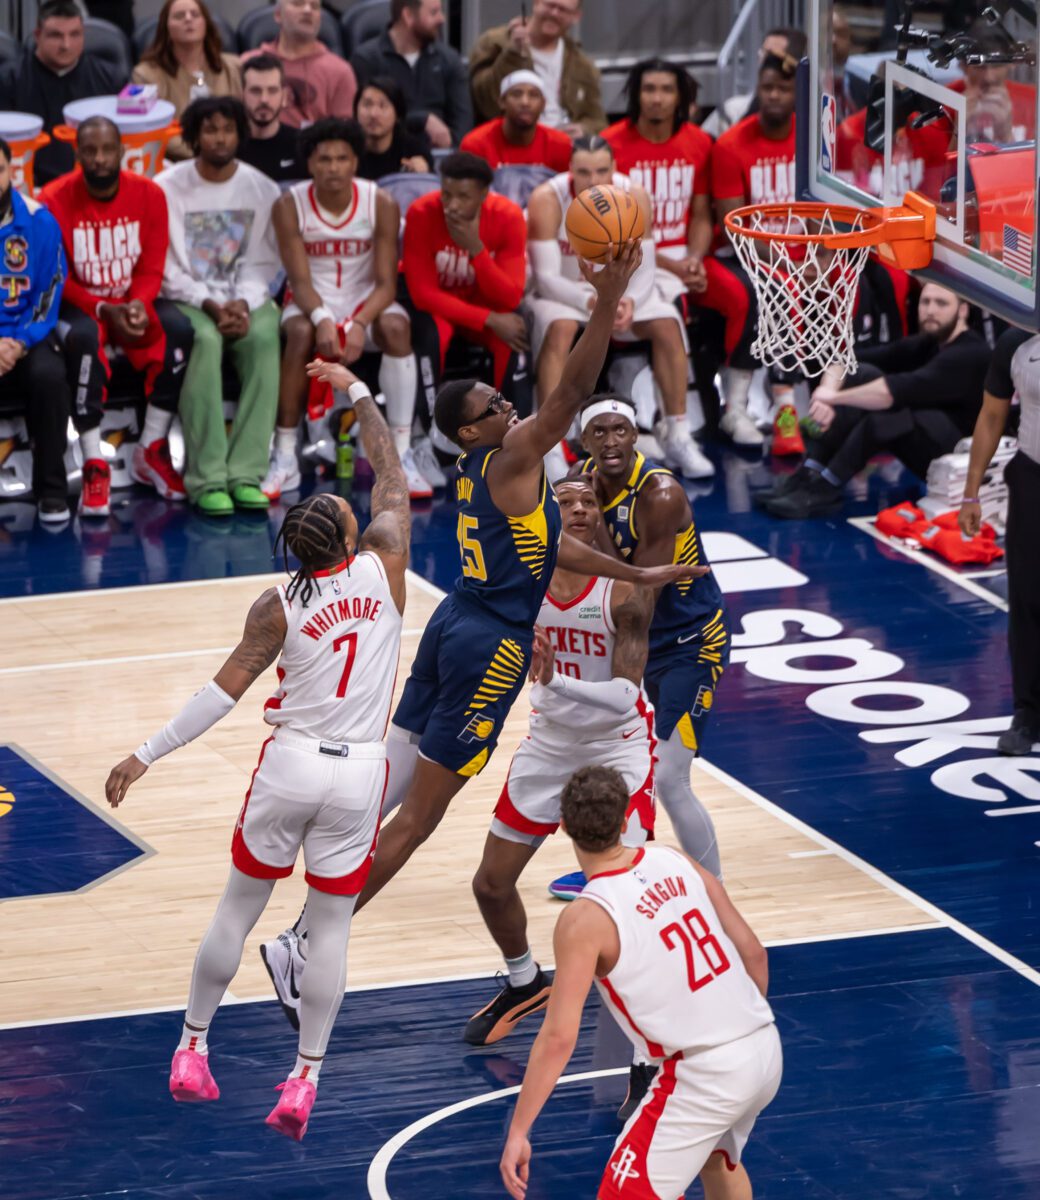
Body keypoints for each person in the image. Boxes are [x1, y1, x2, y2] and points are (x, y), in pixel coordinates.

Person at [260, 246, 704, 1026]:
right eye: (498, 404)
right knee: (418, 819)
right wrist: (605, 301)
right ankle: (307, 942)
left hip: (453, 621)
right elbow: (568, 393)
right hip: (491, 645)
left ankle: (306, 921)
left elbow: (541, 547)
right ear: (476, 430)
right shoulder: (514, 454)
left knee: (381, 791)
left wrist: (633, 576)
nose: (511, 405)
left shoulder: (475, 471)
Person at [103, 372, 411, 1141]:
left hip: (291, 764)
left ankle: (193, 1048)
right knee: (331, 930)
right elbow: (392, 475)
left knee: (238, 910)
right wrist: (358, 392)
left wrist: (144, 755)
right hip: (361, 773)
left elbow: (219, 695)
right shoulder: (385, 565)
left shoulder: (276, 606)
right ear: (350, 539)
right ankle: (305, 1076)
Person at [499, 765, 782, 1200]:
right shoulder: (674, 858)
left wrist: (519, 1129)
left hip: (704, 1072)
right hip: (763, 1047)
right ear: (629, 815)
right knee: (717, 1161)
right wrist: (738, 1027)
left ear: (561, 826)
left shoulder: (583, 919)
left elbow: (559, 1038)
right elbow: (754, 953)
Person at [465, 477, 655, 1049]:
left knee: (626, 899)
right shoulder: (524, 584)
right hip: (549, 745)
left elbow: (626, 693)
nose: (576, 509)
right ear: (546, 514)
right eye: (564, 501)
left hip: (616, 745)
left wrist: (554, 682)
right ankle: (524, 982)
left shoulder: (624, 591)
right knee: (491, 884)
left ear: (600, 514)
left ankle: (648, 1040)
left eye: (587, 501)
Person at [550, 394, 728, 908]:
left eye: (620, 431)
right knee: (616, 761)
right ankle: (616, 869)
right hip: (633, 637)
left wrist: (596, 531)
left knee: (670, 777)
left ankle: (714, 896)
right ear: (583, 441)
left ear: (636, 435)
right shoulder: (580, 480)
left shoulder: (660, 494)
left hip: (689, 642)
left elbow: (639, 594)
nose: (610, 442)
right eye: (599, 432)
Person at [527, 134, 712, 478]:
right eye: (583, 172)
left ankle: (678, 433)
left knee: (667, 324)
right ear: (570, 170)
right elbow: (545, 277)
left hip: (624, 290)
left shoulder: (635, 196)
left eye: (601, 171)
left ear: (614, 168)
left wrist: (625, 300)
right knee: (560, 328)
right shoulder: (547, 199)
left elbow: (647, 263)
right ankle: (551, 444)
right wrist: (595, 301)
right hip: (566, 295)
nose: (594, 181)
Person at [264, 117, 426, 500]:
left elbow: (388, 283)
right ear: (310, 163)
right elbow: (298, 280)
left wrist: (358, 322)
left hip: (365, 303)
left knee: (397, 330)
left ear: (355, 162)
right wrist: (323, 319)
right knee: (301, 332)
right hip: (309, 303)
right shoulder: (289, 205)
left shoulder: (380, 203)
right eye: (324, 159)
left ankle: (400, 455)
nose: (333, 167)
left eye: (341, 159)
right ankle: (284, 454)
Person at [604, 59, 761, 455]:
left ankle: (736, 407)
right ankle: (657, 420)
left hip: (686, 256)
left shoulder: (699, 143)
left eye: (666, 90)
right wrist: (671, 266)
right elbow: (614, 229)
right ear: (635, 95)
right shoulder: (611, 145)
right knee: (671, 307)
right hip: (632, 256)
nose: (657, 99)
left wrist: (692, 258)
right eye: (649, 89)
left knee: (745, 297)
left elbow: (703, 212)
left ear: (682, 98)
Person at [40, 117, 194, 517]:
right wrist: (102, 308)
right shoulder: (54, 198)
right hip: (81, 304)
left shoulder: (149, 194)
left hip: (131, 301)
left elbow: (152, 264)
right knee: (84, 339)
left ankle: (151, 448)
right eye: (90, 151)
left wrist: (140, 303)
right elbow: (58, 275)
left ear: (122, 152)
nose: (100, 158)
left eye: (108, 149)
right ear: (77, 155)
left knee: (178, 329)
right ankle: (94, 462)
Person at [760, 284, 991, 519]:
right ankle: (810, 473)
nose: (931, 310)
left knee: (886, 415)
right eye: (925, 302)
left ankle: (827, 486)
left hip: (965, 460)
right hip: (933, 440)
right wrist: (825, 392)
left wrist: (834, 397)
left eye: (941, 303)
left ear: (963, 311)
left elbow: (890, 393)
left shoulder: (970, 353)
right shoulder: (927, 343)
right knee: (864, 374)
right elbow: (848, 359)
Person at [156, 97, 281, 516]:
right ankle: (207, 477)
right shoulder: (167, 186)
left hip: (246, 298)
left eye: (227, 129)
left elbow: (266, 262)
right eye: (210, 129)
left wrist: (241, 303)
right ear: (193, 136)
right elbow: (167, 268)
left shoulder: (262, 188)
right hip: (188, 299)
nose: (220, 137)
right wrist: (209, 303)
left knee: (265, 336)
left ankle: (246, 473)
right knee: (203, 341)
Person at [711, 52, 800, 446]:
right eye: (767, 88)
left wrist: (825, 256)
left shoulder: (813, 137)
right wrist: (787, 263)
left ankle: (828, 399)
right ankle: (740, 408)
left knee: (860, 285)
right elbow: (736, 229)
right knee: (764, 292)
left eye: (784, 88)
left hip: (807, 250)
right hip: (746, 256)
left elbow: (827, 207)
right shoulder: (732, 145)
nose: (775, 95)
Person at [401, 153, 530, 422]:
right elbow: (423, 295)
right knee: (434, 334)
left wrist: (476, 250)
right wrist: (489, 319)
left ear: (483, 194)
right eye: (446, 194)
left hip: (479, 305)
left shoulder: (507, 216)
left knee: (513, 334)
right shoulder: (422, 212)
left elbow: (510, 295)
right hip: (437, 309)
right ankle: (426, 430)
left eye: (463, 196)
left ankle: (510, 426)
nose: (452, 205)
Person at [959, 326, 1039, 755]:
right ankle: (1027, 714)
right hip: (1032, 479)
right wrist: (971, 493)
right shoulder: (1016, 343)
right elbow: (991, 417)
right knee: (1027, 599)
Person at [0, 137, 69, 523]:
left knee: (50, 376)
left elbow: (49, 290)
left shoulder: (39, 220)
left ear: (11, 171)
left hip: (24, 336)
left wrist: (19, 343)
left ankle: (53, 492)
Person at [0, 0, 128, 187]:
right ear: (37, 36)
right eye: (56, 36)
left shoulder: (111, 77)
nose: (66, 45)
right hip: (28, 183)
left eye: (75, 34)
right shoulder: (7, 79)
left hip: (96, 182)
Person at [469, 0, 605, 136]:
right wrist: (512, 54)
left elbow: (597, 120)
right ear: (536, 3)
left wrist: (583, 130)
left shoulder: (582, 64)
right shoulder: (495, 42)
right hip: (510, 143)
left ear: (576, 16)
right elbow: (484, 102)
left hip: (563, 145)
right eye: (550, 5)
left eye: (563, 10)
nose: (554, 13)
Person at [351, 0, 472, 151]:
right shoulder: (367, 59)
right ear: (408, 16)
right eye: (434, 13)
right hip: (386, 156)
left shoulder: (450, 59)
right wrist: (421, 120)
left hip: (442, 157)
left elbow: (463, 122)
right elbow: (365, 120)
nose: (442, 19)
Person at [132, 0, 242, 162]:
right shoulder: (146, 75)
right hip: (173, 163)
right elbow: (151, 131)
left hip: (230, 160)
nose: (188, 19)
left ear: (206, 24)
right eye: (179, 16)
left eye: (195, 14)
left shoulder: (234, 66)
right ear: (166, 28)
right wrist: (204, 152)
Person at [241, 0, 357, 129]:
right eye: (298, 4)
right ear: (278, 15)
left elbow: (344, 135)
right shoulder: (247, 63)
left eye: (314, 6)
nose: (308, 10)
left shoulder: (340, 71)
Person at [701, 28, 806, 138]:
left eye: (771, 55)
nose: (763, 61)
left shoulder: (811, 117)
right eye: (762, 53)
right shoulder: (733, 111)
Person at [460, 71, 572, 171]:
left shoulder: (561, 145)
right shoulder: (476, 144)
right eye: (516, 94)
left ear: (543, 104)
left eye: (533, 95)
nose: (525, 102)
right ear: (502, 102)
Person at [239, 53, 303, 184]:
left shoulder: (302, 146)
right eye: (255, 91)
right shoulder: (229, 147)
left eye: (272, 90)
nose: (264, 99)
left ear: (284, 96)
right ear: (241, 95)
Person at [355, 76, 432, 180]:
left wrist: (423, 174)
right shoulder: (347, 150)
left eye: (383, 106)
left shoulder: (415, 151)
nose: (373, 114)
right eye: (367, 105)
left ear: (398, 115)